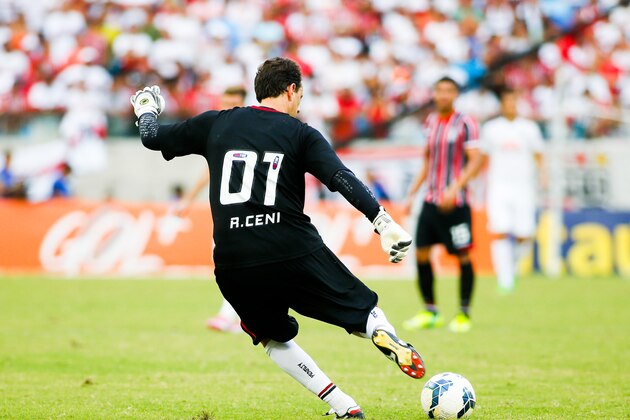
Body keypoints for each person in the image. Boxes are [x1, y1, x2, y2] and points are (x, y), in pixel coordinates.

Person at [131, 57, 424, 419]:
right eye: (300, 93)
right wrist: (381, 220)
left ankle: (344, 406)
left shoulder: (216, 123)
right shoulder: (301, 132)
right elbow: (340, 177)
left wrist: (146, 109)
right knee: (361, 309)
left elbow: (151, 138)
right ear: (291, 90)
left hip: (233, 260)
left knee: (272, 337)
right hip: (291, 246)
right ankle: (378, 330)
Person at [402, 76, 484, 333]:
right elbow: (428, 161)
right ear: (434, 94)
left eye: (449, 91)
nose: (443, 95)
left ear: (456, 94)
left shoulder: (466, 123)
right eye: (439, 91)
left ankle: (464, 313)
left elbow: (476, 161)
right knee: (422, 254)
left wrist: (455, 188)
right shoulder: (430, 122)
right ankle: (430, 310)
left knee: (463, 254)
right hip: (431, 200)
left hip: (456, 203)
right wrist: (412, 192)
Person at [174, 85, 248, 333]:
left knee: (234, 262)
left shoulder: (251, 131)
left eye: (233, 103)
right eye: (224, 102)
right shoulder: (219, 132)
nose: (227, 108)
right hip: (226, 210)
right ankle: (242, 318)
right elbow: (209, 170)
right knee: (234, 264)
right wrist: (188, 200)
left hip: (249, 208)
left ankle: (228, 316)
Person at [480, 89, 546, 293]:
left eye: (513, 102)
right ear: (501, 105)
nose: (510, 105)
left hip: (523, 186)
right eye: (506, 102)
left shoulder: (529, 128)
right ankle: (505, 279)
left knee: (524, 234)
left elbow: (539, 155)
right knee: (500, 231)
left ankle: (513, 268)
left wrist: (544, 177)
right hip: (498, 186)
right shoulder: (491, 128)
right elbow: (483, 157)